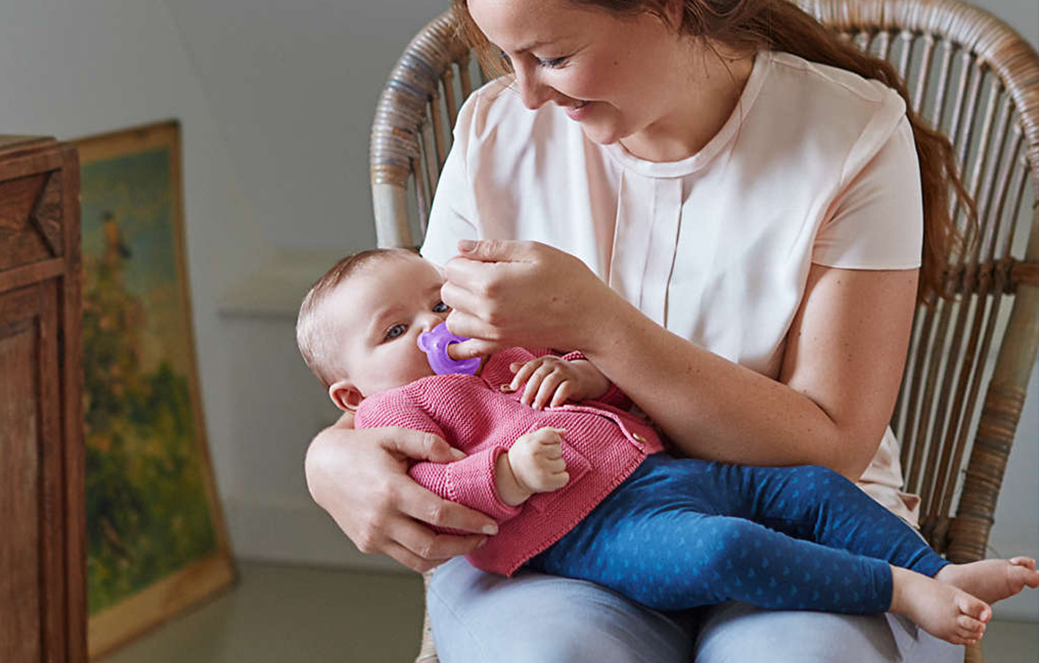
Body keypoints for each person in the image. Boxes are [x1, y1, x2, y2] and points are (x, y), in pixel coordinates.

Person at [304, 0, 988, 660]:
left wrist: (599, 325)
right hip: (555, 530)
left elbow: (831, 442)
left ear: (668, 4)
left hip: (783, 508)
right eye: (506, 59)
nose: (525, 94)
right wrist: (328, 458)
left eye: (553, 56)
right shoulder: (497, 130)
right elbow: (428, 374)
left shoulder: (850, 136)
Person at [296, 248, 1038, 646]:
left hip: (669, 469)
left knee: (810, 488)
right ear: (352, 398)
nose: (433, 326)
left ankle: (938, 569)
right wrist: (509, 474)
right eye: (396, 331)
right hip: (594, 531)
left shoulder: (502, 343)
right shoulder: (402, 411)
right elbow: (440, 486)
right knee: (723, 550)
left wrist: (584, 374)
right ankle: (898, 589)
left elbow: (614, 381)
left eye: (436, 301)